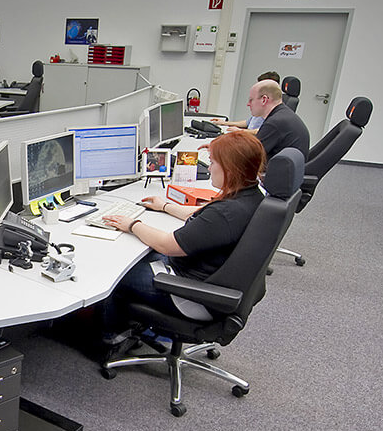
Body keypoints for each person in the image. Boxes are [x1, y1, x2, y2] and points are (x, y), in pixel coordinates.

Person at [99, 130, 268, 348]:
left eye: (214, 162)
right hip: (211, 283)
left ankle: (111, 336)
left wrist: (132, 224)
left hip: (189, 292)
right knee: (136, 252)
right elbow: (198, 215)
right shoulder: (251, 196)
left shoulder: (226, 213)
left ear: (230, 169)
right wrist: (165, 206)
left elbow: (167, 245)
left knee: (115, 271)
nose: (209, 168)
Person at [249, 79, 310, 159]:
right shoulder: (283, 114)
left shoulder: (274, 123)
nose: (248, 104)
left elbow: (250, 155)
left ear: (264, 100)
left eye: (251, 100)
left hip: (270, 170)